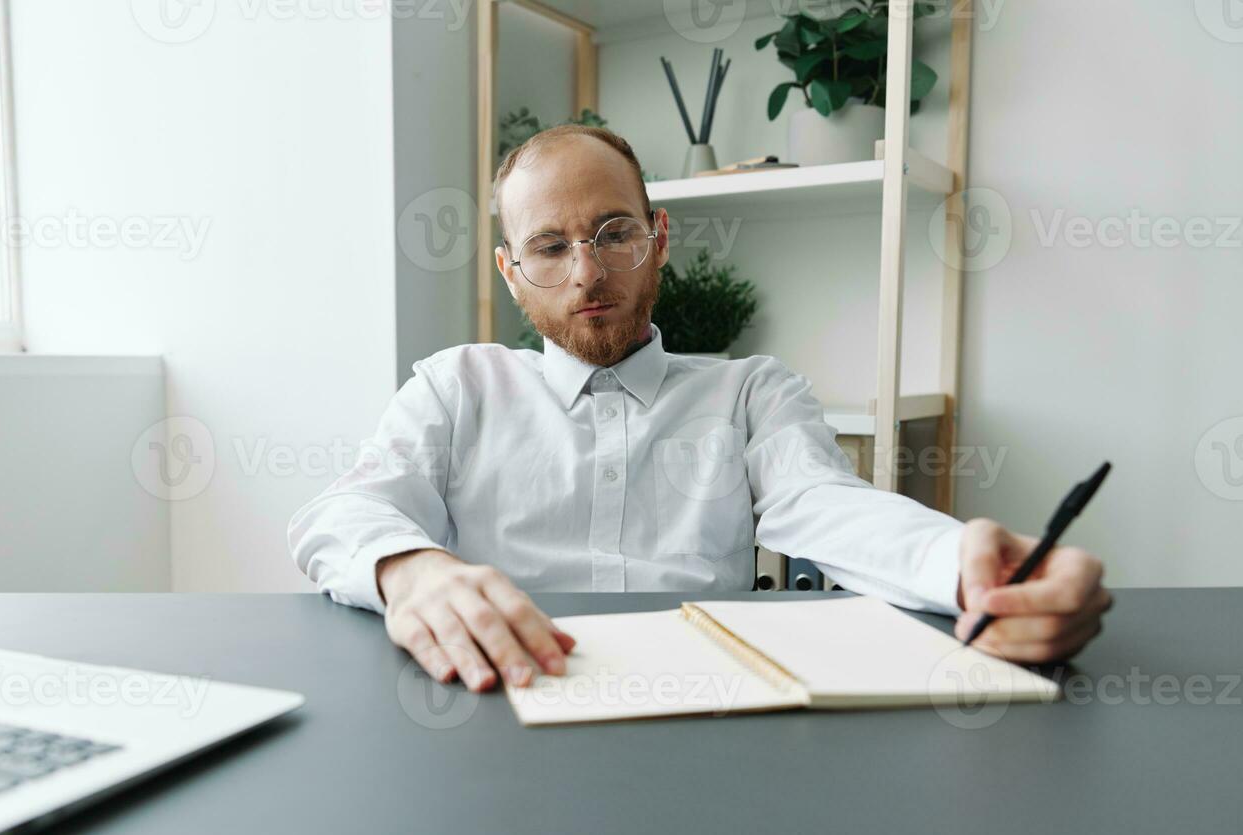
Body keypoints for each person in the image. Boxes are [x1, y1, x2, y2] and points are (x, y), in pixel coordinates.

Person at [289, 125, 1111, 692]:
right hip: (499, 688)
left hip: (710, 699)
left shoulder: (751, 392)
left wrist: (966, 564)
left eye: (614, 232)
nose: (587, 274)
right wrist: (412, 570)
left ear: (660, 238)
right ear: (511, 271)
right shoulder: (453, 387)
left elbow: (826, 508)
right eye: (549, 247)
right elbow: (346, 512)